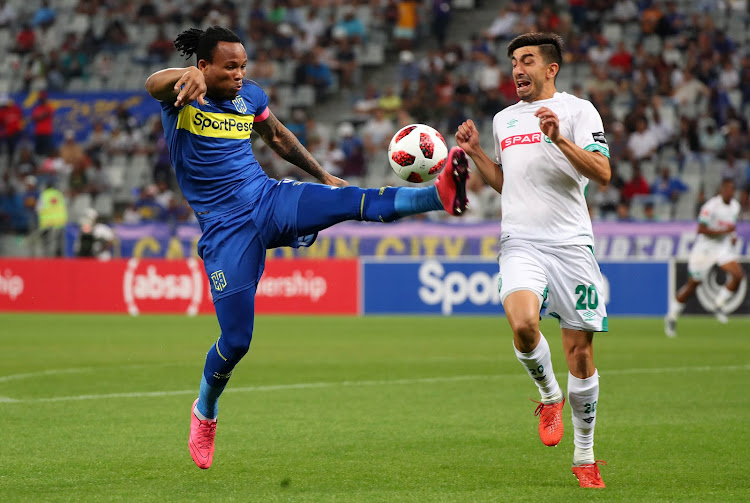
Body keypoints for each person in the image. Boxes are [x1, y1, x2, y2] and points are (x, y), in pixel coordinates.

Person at [144, 26, 469, 471]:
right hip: (225, 231)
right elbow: (152, 83)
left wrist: (323, 175)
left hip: (268, 200)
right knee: (237, 341)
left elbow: (277, 137)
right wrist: (183, 75)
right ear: (204, 66)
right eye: (230, 67)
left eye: (243, 65)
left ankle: (440, 194)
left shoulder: (250, 98)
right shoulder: (180, 93)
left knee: (351, 201)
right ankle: (205, 411)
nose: (240, 74)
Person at [454, 32, 611, 488]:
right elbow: (509, 184)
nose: (517, 69)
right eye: (513, 62)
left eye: (527, 60)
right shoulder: (504, 119)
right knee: (523, 324)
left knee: (580, 354)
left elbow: (602, 173)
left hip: (571, 246)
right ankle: (548, 396)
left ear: (550, 68)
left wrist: (559, 139)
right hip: (521, 241)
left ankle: (585, 457)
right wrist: (476, 151)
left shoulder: (579, 111)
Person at [665, 178, 744, 336]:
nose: (729, 193)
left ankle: (719, 303)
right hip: (704, 248)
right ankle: (672, 316)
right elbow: (700, 230)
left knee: (738, 275)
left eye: (732, 190)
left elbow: (731, 226)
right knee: (693, 285)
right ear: (721, 190)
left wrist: (732, 235)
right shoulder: (710, 207)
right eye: (727, 189)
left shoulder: (735, 206)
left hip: (722, 247)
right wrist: (725, 232)